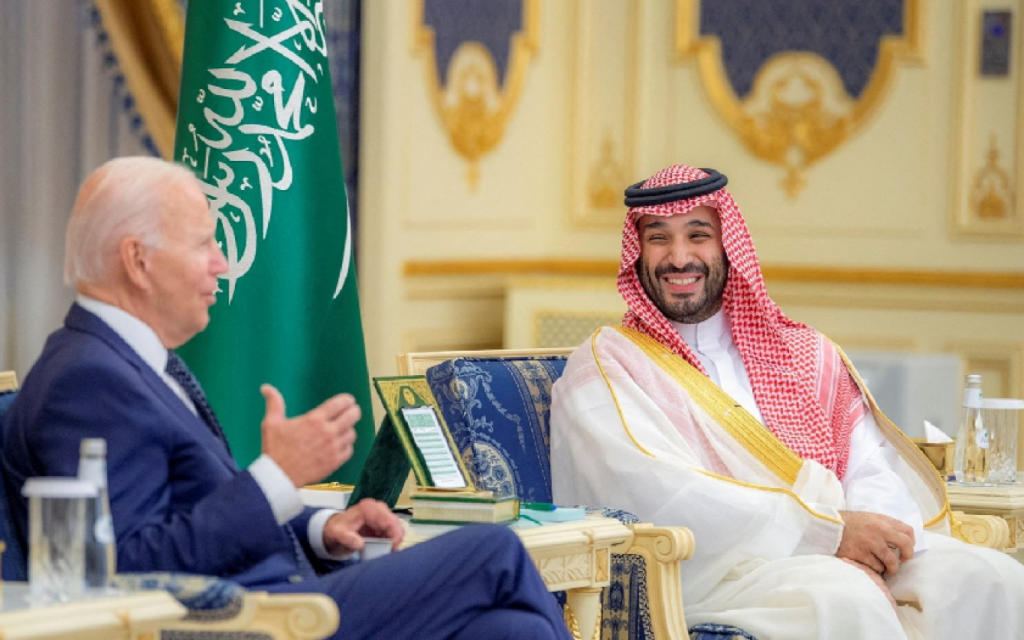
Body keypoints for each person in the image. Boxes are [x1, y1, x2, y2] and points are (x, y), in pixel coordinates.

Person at [3, 156, 570, 640]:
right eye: (203, 243)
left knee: (514, 631)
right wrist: (277, 475)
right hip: (245, 620)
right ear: (137, 260)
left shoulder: (134, 360)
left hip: (277, 594)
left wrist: (324, 528)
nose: (223, 263)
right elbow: (128, 563)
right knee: (494, 551)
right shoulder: (90, 380)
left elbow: (195, 510)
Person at [549, 164, 1024, 639]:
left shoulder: (803, 352)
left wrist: (874, 546)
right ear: (637, 252)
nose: (678, 257)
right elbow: (657, 491)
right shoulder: (611, 362)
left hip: (833, 544)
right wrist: (828, 533)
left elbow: (866, 463)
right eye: (658, 238)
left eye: (698, 235)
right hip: (720, 571)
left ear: (728, 244)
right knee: (847, 599)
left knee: (993, 580)